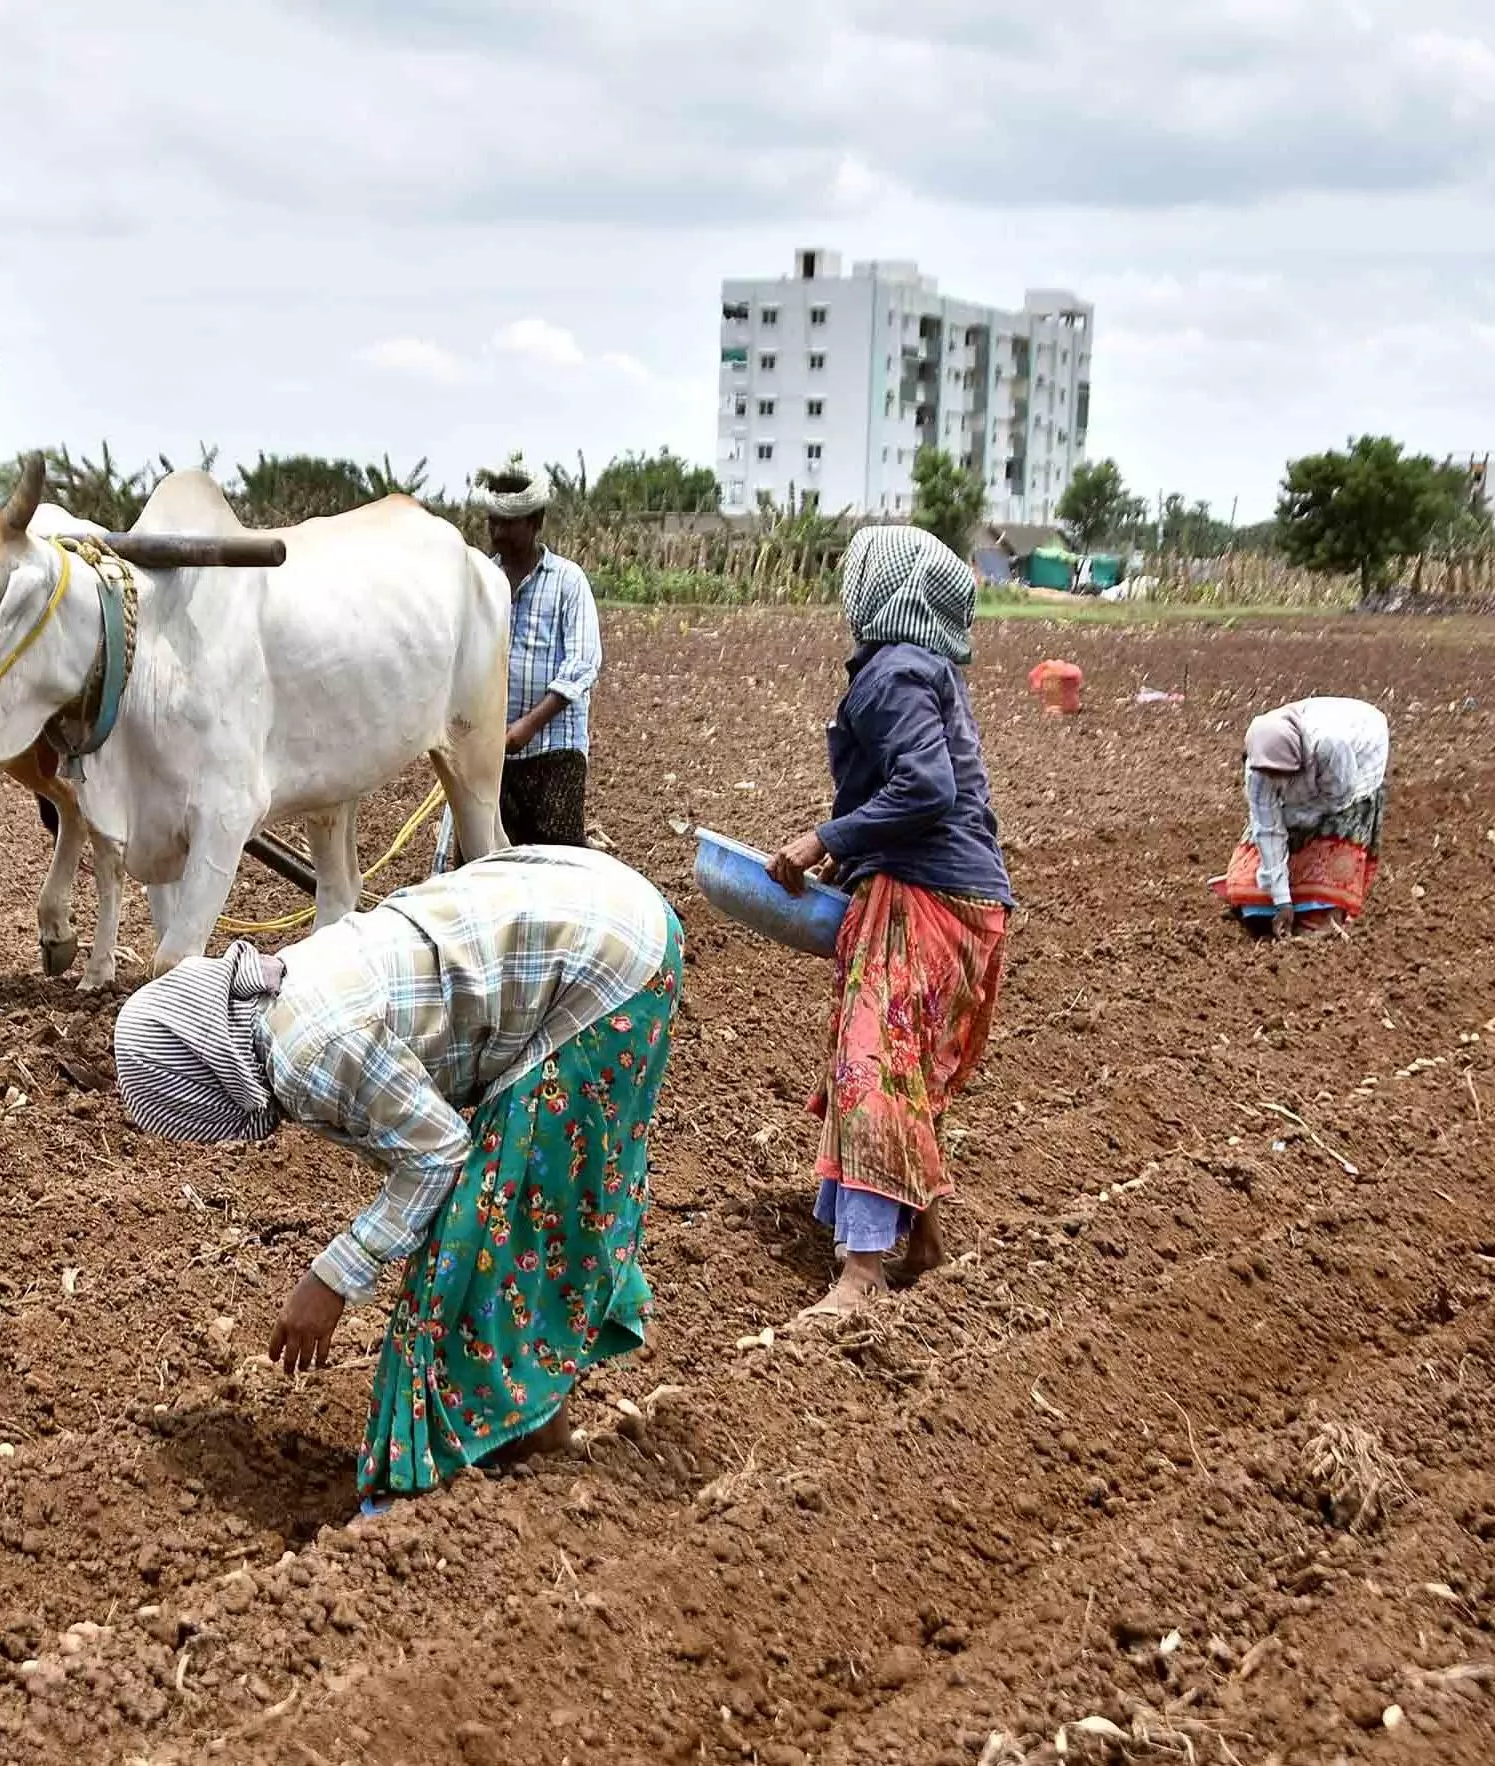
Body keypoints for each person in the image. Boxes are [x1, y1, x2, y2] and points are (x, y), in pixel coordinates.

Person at [113, 846, 681, 1507]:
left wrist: (331, 1278)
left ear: (202, 1078)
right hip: (598, 912)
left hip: (604, 964)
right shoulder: (279, 1000)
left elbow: (440, 1153)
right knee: (492, 1225)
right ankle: (526, 1430)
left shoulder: (305, 1053)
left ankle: (495, 1454)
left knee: (491, 1241)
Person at [764, 527, 1012, 1326]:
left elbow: (927, 789)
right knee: (904, 1069)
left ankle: (863, 1272)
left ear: (885, 592)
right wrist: (856, 851)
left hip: (930, 898)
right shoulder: (921, 667)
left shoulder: (894, 671)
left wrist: (824, 839)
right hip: (968, 896)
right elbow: (927, 793)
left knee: (873, 1061)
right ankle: (924, 1241)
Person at [466, 454, 601, 846]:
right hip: (492, 755)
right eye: (493, 521)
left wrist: (527, 726)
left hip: (554, 753)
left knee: (554, 865)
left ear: (536, 523)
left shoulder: (568, 581)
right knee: (484, 865)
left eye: (509, 523)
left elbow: (581, 664)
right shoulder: (482, 583)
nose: (498, 532)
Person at [1215, 697, 1391, 926]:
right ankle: (1265, 908)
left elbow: (1338, 799)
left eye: (1280, 774)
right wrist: (1282, 901)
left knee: (1331, 831)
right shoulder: (1258, 769)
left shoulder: (1330, 746)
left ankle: (1326, 914)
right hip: (1314, 764)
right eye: (1269, 776)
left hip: (1359, 754)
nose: (1275, 782)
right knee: (1262, 849)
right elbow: (1267, 829)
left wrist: (1300, 818)